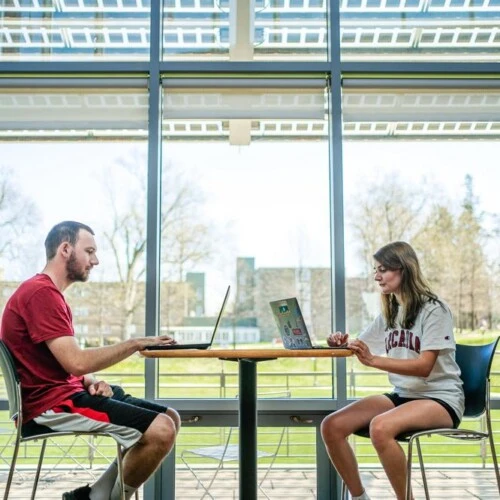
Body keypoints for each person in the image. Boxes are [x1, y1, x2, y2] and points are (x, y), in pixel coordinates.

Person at [0, 221, 181, 500]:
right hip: (49, 405)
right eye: (90, 251)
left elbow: (65, 365)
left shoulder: (48, 294)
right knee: (161, 430)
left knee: (170, 418)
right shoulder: (41, 294)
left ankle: (92, 496)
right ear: (65, 249)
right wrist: (135, 343)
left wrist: (91, 381)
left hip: (67, 393)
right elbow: (77, 362)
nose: (95, 260)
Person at [321, 241, 464, 500]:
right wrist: (344, 343)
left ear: (404, 269)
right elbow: (362, 347)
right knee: (332, 426)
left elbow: (424, 367)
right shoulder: (391, 312)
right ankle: (360, 497)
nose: (377, 276)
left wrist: (374, 360)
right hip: (403, 395)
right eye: (376, 270)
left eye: (383, 269)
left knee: (380, 427)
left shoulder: (434, 309)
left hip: (441, 398)